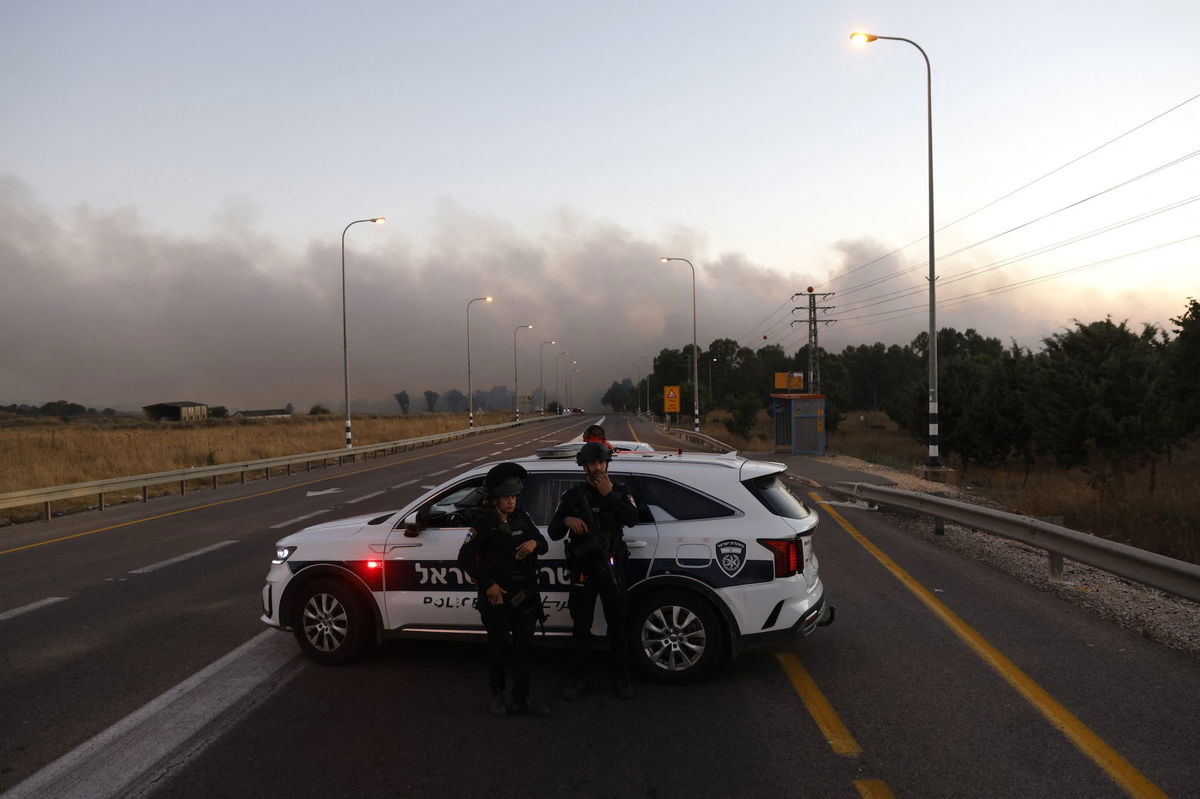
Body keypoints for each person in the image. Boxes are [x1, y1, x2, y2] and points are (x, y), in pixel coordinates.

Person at [457, 462, 550, 717]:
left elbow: (543, 544)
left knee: (523, 649)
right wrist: (489, 584)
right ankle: (497, 695)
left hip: (525, 595)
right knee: (498, 649)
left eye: (514, 496)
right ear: (495, 499)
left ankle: (522, 698)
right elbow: (464, 558)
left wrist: (533, 542)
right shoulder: (483, 523)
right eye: (506, 497)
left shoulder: (523, 516)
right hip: (498, 596)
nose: (511, 501)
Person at [548, 441, 640, 699]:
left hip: (612, 568)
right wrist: (567, 519)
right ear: (584, 466)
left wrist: (609, 493)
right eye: (592, 463)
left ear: (607, 464)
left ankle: (622, 678)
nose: (597, 468)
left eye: (601, 462)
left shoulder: (620, 492)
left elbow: (632, 519)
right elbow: (554, 532)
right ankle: (578, 679)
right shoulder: (572, 496)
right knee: (580, 627)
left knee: (618, 625)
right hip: (583, 569)